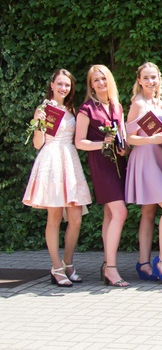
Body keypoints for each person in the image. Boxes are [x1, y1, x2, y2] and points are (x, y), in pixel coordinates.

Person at [24, 69, 92, 287]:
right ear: (52, 85)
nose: (64, 88)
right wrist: (37, 122)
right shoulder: (44, 109)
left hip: (70, 161)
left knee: (76, 218)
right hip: (52, 160)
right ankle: (56, 267)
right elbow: (37, 144)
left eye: (67, 85)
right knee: (53, 218)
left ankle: (68, 263)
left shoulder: (71, 109)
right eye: (60, 84)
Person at [75, 65, 129, 287]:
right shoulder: (86, 108)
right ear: (91, 85)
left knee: (109, 214)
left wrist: (124, 149)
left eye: (103, 79)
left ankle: (107, 263)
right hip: (101, 166)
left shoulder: (117, 106)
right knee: (120, 212)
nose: (100, 83)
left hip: (119, 165)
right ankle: (112, 268)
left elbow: (123, 136)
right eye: (96, 80)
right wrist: (102, 144)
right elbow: (79, 142)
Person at [124, 62, 162, 284]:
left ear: (159, 79)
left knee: (149, 211)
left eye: (153, 77)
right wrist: (151, 139)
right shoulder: (138, 104)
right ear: (139, 80)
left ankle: (143, 263)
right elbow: (129, 138)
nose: (150, 81)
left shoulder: (160, 103)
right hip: (145, 158)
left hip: (159, 157)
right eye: (145, 78)